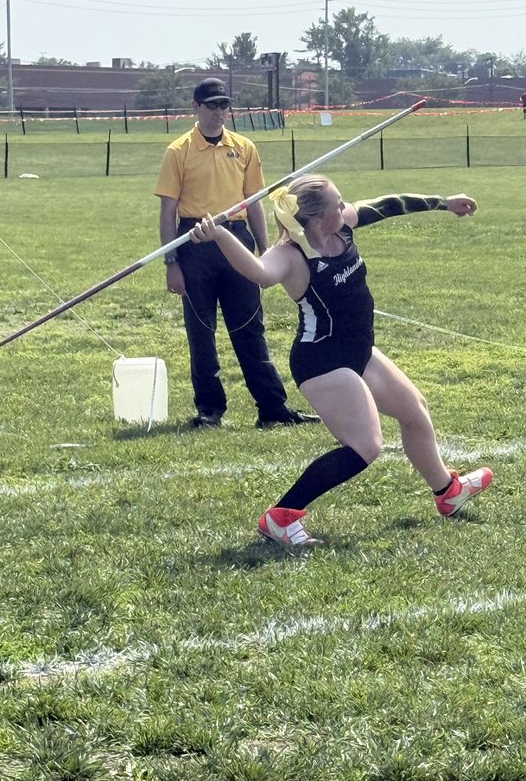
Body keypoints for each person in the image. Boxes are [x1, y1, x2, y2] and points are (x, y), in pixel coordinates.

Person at [189, 176, 493, 546]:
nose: (344, 206)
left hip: (358, 350)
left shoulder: (343, 225)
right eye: (337, 203)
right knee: (366, 446)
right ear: (317, 220)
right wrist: (220, 235)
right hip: (322, 361)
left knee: (414, 411)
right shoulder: (291, 256)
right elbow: (259, 274)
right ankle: (280, 517)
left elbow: (388, 203)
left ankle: (447, 492)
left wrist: (443, 201)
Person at [155, 77, 319, 429]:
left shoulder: (244, 147)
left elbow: (254, 202)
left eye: (224, 106)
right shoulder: (178, 151)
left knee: (249, 327)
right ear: (196, 107)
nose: (218, 112)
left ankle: (272, 408)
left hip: (237, 239)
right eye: (211, 105)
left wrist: (265, 251)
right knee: (201, 331)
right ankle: (209, 410)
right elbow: (167, 212)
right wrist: (171, 262)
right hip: (195, 243)